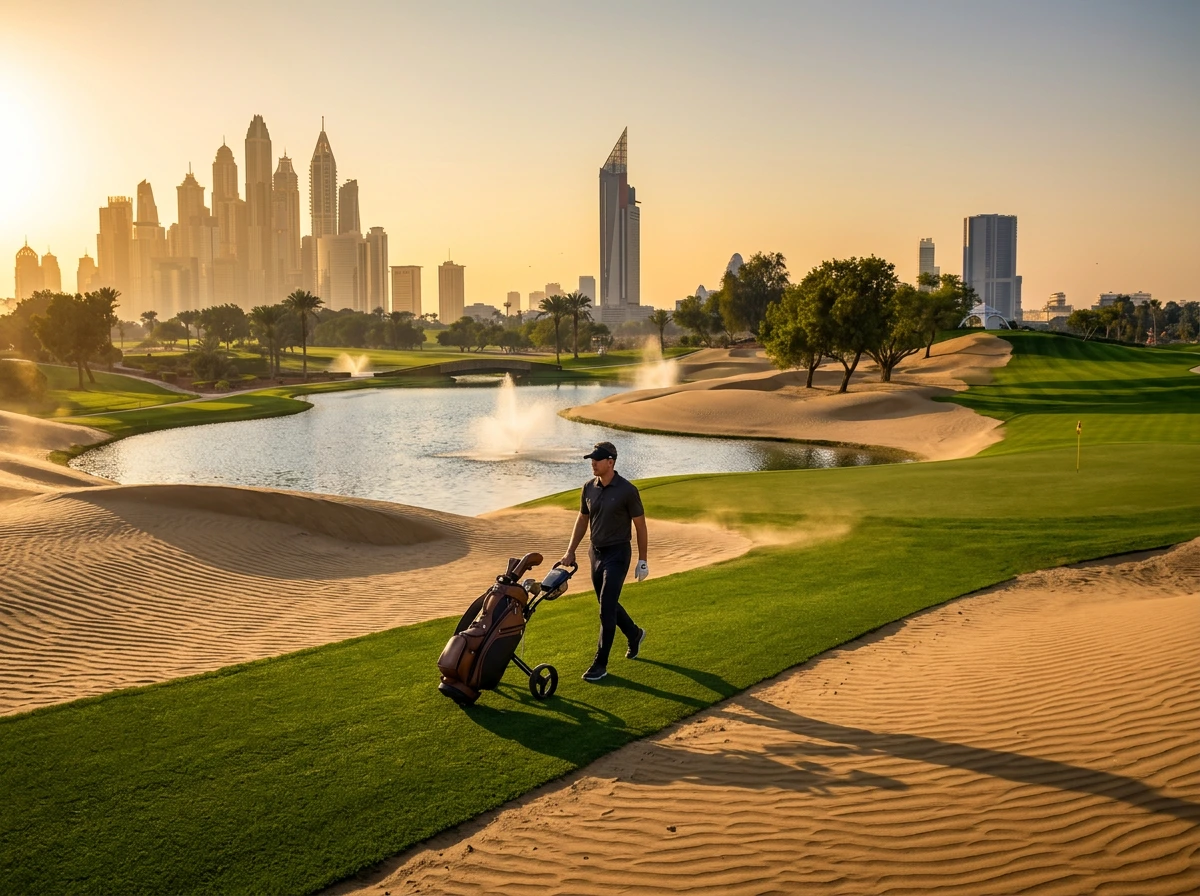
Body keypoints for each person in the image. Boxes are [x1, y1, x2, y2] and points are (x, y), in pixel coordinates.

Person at [559, 440, 649, 682]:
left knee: (606, 608)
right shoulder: (588, 487)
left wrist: (643, 560)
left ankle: (600, 664)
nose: (593, 463)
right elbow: (582, 520)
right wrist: (571, 551)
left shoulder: (627, 491)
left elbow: (640, 527)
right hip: (595, 553)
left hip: (618, 554)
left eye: (597, 459)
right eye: (591, 459)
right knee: (606, 603)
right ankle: (634, 633)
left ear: (611, 462)